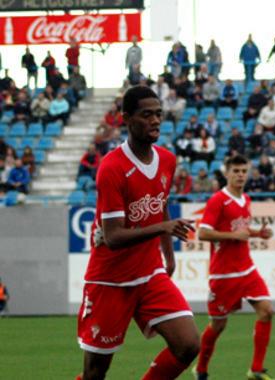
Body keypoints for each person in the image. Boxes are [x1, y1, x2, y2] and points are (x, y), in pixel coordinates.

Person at [75, 86, 199, 379]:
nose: (155, 120)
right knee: (95, 372)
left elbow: (161, 206)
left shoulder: (167, 160)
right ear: (126, 118)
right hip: (110, 279)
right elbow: (114, 236)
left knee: (188, 344)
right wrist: (162, 229)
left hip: (148, 272)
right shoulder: (112, 167)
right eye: (147, 115)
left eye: (158, 114)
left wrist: (168, 256)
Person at [192, 154, 275, 380]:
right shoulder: (218, 200)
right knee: (218, 325)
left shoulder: (245, 199)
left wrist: (258, 233)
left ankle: (255, 370)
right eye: (235, 171)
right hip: (224, 274)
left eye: (243, 171)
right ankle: (200, 369)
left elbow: (241, 230)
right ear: (227, 173)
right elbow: (203, 232)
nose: (240, 175)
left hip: (246, 269)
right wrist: (232, 235)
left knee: (266, 311)